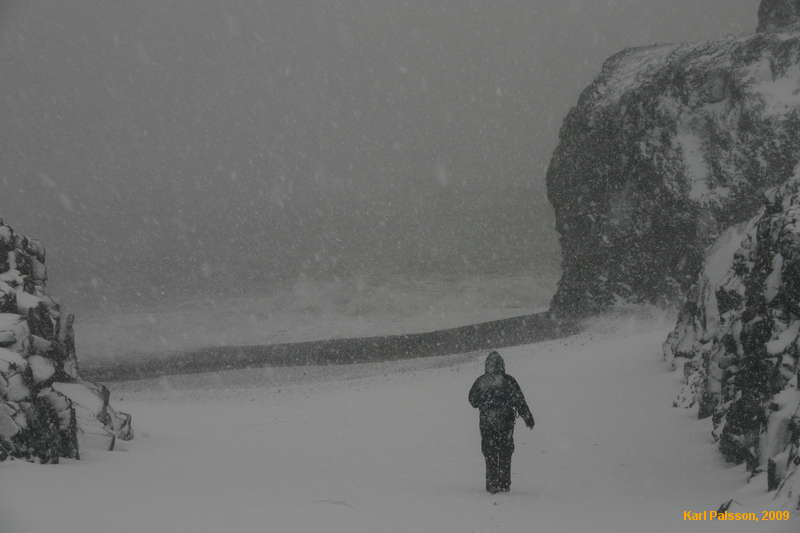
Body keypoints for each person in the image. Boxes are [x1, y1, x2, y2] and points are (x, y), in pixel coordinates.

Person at [468, 351, 534, 493]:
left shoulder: (481, 381)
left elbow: (472, 400)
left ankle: (492, 483)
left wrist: (485, 402)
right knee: (505, 451)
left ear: (487, 365)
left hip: (486, 422)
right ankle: (504, 483)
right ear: (502, 365)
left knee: (489, 452)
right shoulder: (509, 380)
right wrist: (527, 417)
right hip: (506, 422)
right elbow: (519, 400)